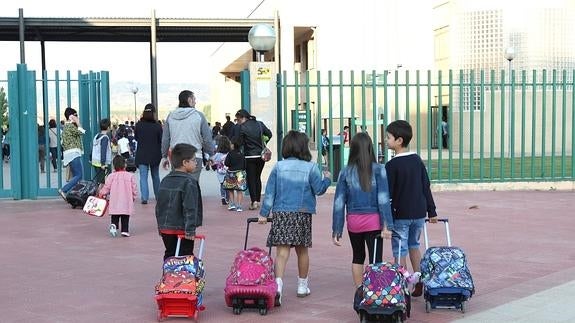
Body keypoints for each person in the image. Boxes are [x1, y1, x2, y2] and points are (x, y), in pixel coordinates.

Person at [257, 130, 331, 304]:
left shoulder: (278, 167)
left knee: (282, 252)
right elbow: (319, 189)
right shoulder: (311, 167)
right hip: (302, 212)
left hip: (281, 212)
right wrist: (327, 179)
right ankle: (302, 286)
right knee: (302, 250)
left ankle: (278, 286)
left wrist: (263, 213)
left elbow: (270, 193)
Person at [331, 132, 394, 288]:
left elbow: (339, 202)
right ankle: (375, 292)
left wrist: (337, 229)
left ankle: (360, 291)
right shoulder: (380, 169)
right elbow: (384, 199)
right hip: (374, 221)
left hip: (354, 222)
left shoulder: (345, 172)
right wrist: (387, 224)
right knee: (375, 259)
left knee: (357, 257)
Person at [385, 120, 438, 297]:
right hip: (418, 213)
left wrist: (386, 219)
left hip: (401, 215)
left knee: (399, 249)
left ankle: (403, 286)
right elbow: (426, 186)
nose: (386, 140)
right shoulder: (416, 160)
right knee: (414, 245)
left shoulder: (391, 165)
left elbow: (388, 194)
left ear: (399, 140)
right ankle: (419, 278)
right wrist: (432, 211)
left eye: (388, 137)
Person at [155, 143, 203, 261]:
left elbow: (159, 206)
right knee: (185, 255)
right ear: (185, 162)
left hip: (166, 227)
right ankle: (183, 278)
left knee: (170, 253)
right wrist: (190, 229)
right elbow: (190, 208)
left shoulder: (165, 180)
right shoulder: (189, 182)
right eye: (193, 160)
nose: (196, 162)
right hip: (182, 228)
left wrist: (160, 227)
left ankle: (168, 276)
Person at [161, 90, 215, 182]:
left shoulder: (170, 116)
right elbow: (207, 138)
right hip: (194, 156)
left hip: (176, 157)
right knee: (192, 186)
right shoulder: (199, 116)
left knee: (178, 185)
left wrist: (164, 156)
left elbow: (166, 139)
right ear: (189, 100)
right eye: (194, 99)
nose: (195, 101)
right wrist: (211, 154)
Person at [234, 109, 273, 210]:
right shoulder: (259, 124)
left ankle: (254, 201)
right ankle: (258, 201)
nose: (238, 122)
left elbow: (239, 142)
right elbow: (269, 134)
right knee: (257, 177)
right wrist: (264, 142)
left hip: (249, 156)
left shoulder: (242, 127)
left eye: (238, 120)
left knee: (251, 178)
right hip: (261, 156)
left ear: (243, 118)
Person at [99, 155, 138, 237]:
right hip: (126, 201)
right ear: (125, 165)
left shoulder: (111, 176)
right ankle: (125, 230)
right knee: (125, 216)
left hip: (114, 201)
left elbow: (107, 187)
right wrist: (134, 197)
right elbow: (134, 188)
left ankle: (114, 226)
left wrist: (101, 193)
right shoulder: (130, 176)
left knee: (115, 215)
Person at [135, 103, 163, 204]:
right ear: (154, 113)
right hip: (155, 154)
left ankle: (144, 198)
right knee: (155, 175)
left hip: (142, 154)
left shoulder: (138, 125)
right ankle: (158, 196)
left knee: (143, 177)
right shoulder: (157, 126)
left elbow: (136, 138)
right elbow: (161, 140)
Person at [58, 107, 86, 200]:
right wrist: (78, 122)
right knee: (79, 175)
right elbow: (82, 132)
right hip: (73, 153)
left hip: (70, 154)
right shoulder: (70, 126)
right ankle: (64, 189)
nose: (77, 117)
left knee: (76, 176)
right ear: (70, 116)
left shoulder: (66, 126)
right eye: (75, 115)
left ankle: (73, 195)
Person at [224, 136, 247, 212]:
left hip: (231, 173)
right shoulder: (241, 154)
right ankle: (239, 206)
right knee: (239, 190)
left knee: (231, 189)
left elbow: (226, 163)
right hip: (240, 173)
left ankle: (232, 204)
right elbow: (244, 165)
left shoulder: (230, 154)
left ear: (233, 145)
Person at [210, 135, 231, 206]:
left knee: (222, 184)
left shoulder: (217, 154)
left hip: (220, 172)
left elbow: (212, 161)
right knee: (228, 185)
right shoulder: (229, 153)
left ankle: (223, 197)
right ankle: (228, 198)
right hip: (228, 171)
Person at [90, 118, 112, 185]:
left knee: (99, 180)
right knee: (102, 181)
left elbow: (92, 148)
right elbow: (103, 151)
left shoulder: (96, 136)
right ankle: (100, 194)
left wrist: (90, 158)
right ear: (108, 127)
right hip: (100, 162)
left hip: (95, 161)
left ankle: (99, 193)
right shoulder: (104, 138)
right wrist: (103, 163)